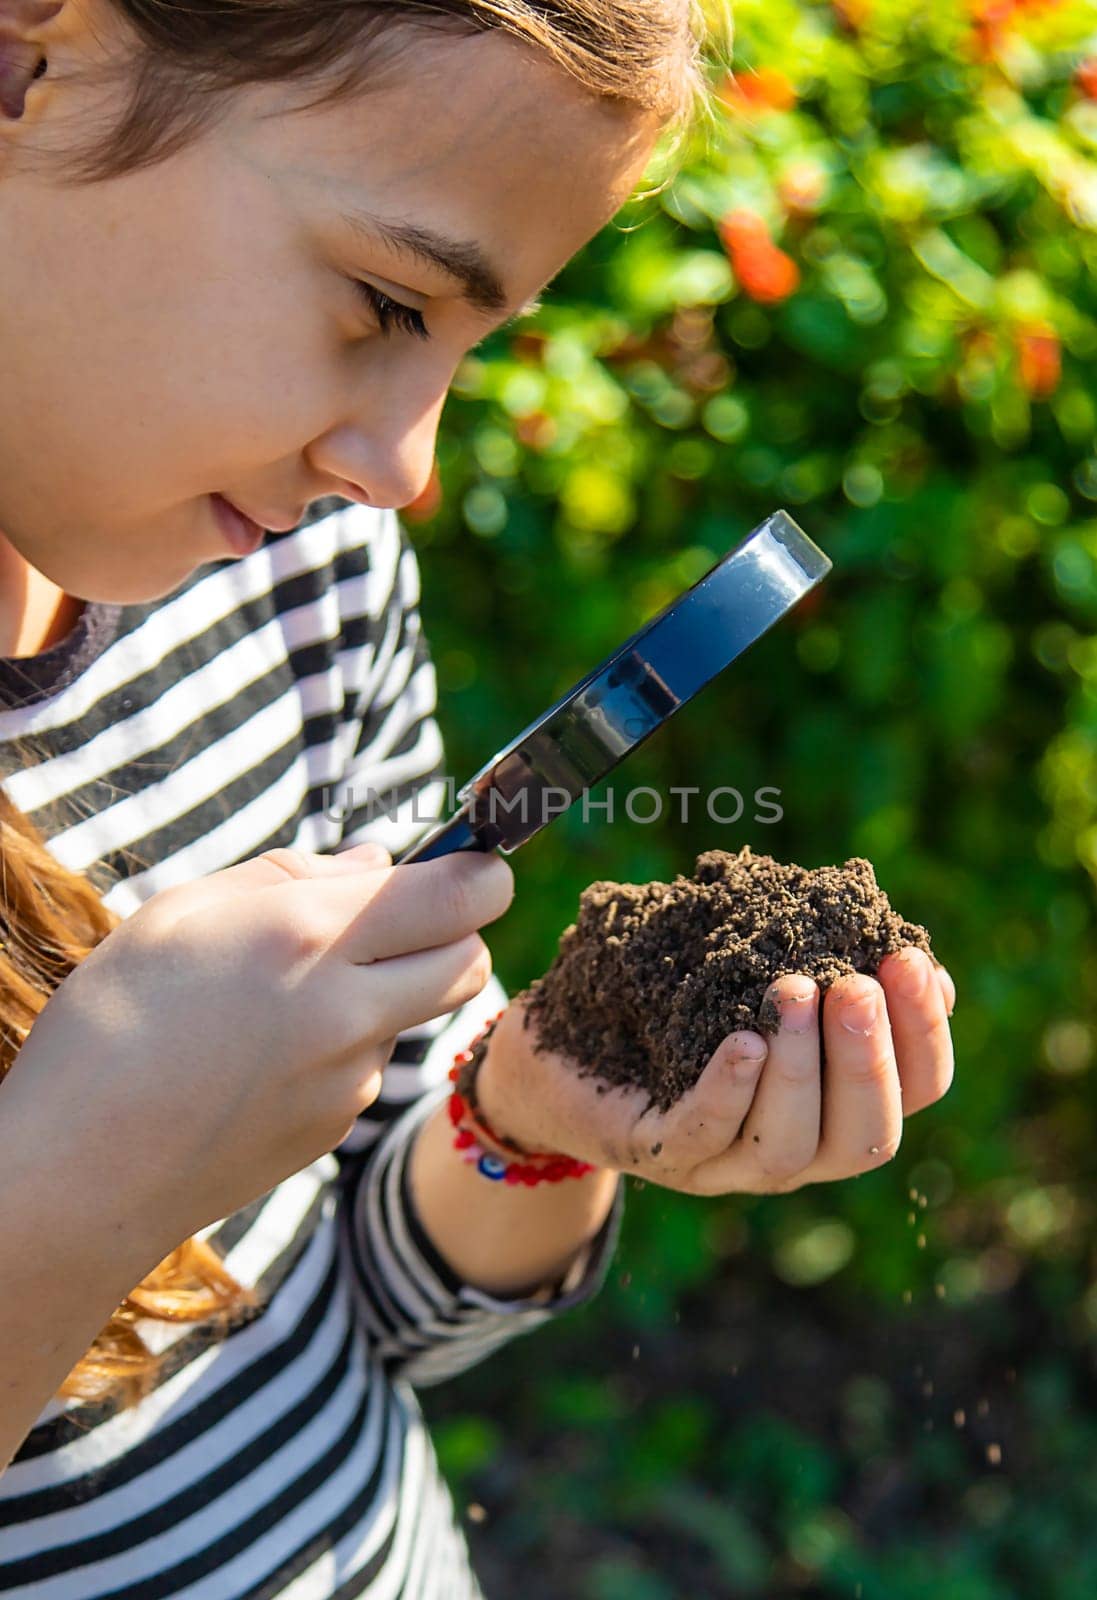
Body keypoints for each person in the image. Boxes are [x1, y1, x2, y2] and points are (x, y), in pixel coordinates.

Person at [0, 0, 957, 1593]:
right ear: (36, 56)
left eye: (467, 343)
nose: (400, 465)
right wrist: (74, 1189)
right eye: (385, 301)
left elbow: (363, 1292)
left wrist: (530, 1115)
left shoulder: (296, 582)